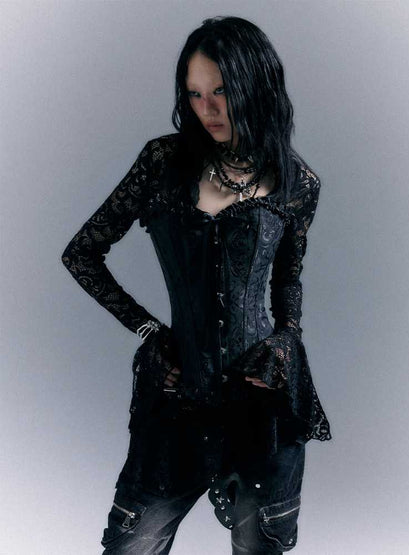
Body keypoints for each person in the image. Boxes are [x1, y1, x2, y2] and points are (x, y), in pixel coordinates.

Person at [61, 15, 332, 555]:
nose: (206, 109)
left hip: (262, 406)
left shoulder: (297, 183)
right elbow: (82, 252)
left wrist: (285, 341)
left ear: (256, 85)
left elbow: (287, 281)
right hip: (177, 398)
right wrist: (149, 330)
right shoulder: (163, 162)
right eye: (194, 93)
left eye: (221, 91)